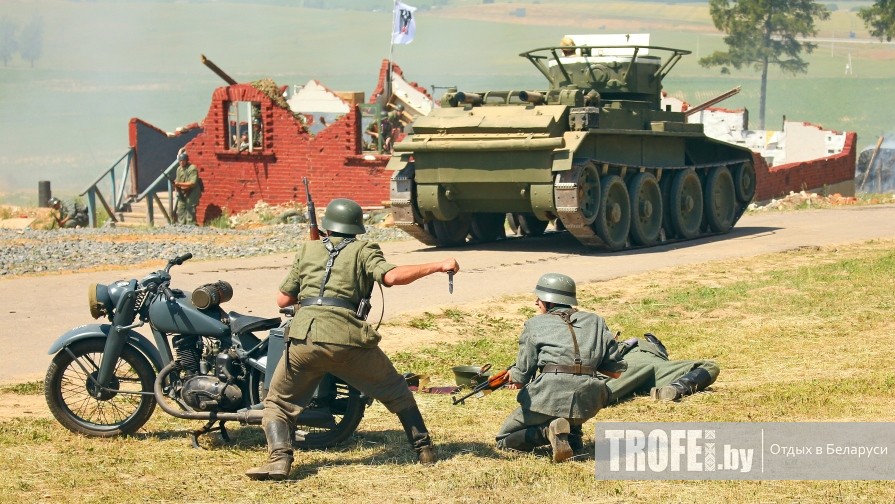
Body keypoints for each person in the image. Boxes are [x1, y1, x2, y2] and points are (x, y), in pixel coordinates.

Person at [246, 198, 460, 481]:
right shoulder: (364, 249)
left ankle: (279, 460)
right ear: (357, 227)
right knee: (396, 390)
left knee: (277, 404)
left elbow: (283, 299)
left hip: (304, 338)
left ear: (327, 225)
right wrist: (439, 264)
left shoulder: (308, 249)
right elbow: (391, 277)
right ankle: (424, 450)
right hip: (347, 339)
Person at [495, 273, 627, 463]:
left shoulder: (534, 324)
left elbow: (521, 376)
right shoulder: (596, 321)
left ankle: (547, 432)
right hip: (589, 398)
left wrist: (513, 378)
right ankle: (572, 436)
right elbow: (615, 371)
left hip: (549, 395)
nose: (536, 302)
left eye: (539, 298)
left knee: (503, 440)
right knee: (572, 400)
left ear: (549, 301)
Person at [606, 333, 719, 403]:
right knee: (604, 389)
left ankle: (674, 389)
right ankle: (675, 389)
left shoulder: (657, 357)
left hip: (655, 367)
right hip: (638, 365)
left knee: (710, 366)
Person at [173, 151, 202, 225]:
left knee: (190, 208)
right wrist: (176, 187)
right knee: (180, 207)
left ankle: (190, 224)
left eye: (183, 161)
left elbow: (192, 183)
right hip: (183, 191)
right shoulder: (179, 169)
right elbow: (177, 180)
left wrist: (179, 184)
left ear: (186, 160)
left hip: (192, 191)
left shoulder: (192, 168)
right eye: (180, 161)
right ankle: (181, 224)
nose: (181, 162)